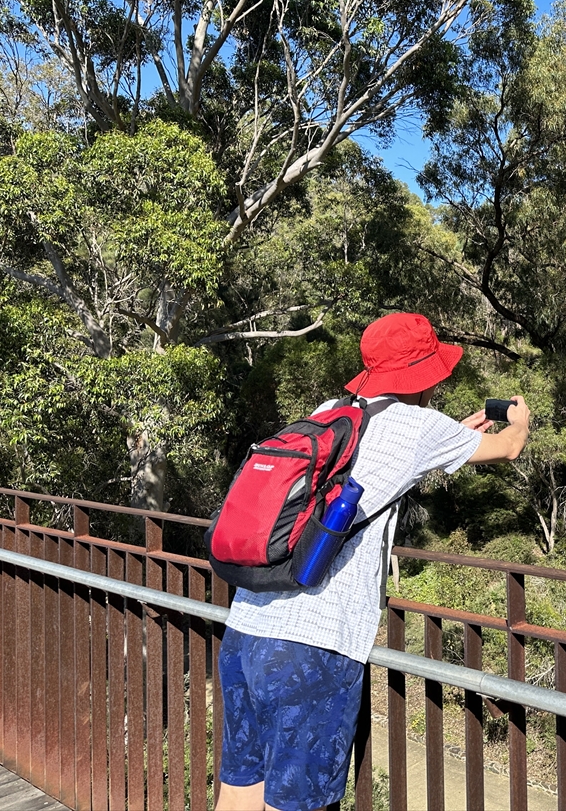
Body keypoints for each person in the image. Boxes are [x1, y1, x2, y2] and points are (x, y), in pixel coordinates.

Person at [214, 312, 530, 811]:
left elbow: (381, 462)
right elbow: (508, 447)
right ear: (427, 374)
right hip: (315, 649)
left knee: (237, 794)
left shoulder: (331, 411)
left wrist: (450, 434)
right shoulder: (423, 427)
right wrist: (519, 421)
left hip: (246, 631)